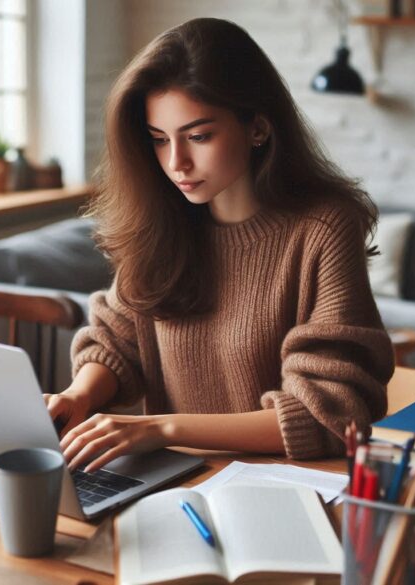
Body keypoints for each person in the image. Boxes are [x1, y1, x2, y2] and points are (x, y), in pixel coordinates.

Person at [46, 17, 394, 472]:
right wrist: (79, 395)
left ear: (258, 128)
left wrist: (161, 429)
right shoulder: (164, 220)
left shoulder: (323, 229)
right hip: (176, 488)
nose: (176, 163)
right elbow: (119, 338)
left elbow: (327, 412)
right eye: (158, 140)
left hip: (283, 490)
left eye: (198, 136)